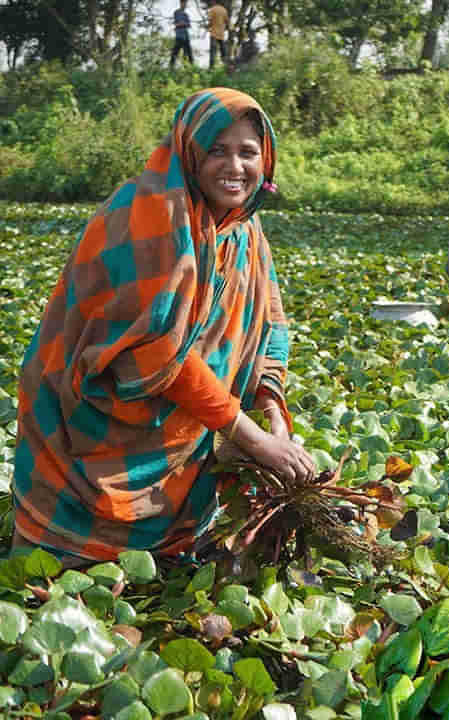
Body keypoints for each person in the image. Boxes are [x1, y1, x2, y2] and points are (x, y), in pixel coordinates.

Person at [11, 88, 316, 566]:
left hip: (185, 430)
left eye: (248, 153)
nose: (234, 166)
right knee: (58, 568)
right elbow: (152, 349)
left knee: (172, 570)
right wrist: (251, 438)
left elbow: (271, 324)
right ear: (189, 149)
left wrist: (272, 409)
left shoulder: (244, 231)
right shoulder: (147, 213)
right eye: (217, 149)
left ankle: (165, 552)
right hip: (89, 418)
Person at [169, 0, 194, 69]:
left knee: (189, 53)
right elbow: (177, 24)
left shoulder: (186, 14)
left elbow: (189, 25)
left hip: (186, 36)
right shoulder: (177, 12)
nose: (185, 5)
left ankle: (191, 68)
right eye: (184, 3)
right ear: (181, 3)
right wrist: (183, 24)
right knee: (175, 52)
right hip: (179, 36)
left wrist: (183, 24)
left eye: (186, 4)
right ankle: (171, 67)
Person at [207, 0, 229, 68]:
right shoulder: (224, 10)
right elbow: (227, 22)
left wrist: (207, 26)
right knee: (223, 53)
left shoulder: (212, 10)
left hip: (213, 34)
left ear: (213, 1)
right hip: (221, 35)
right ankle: (226, 67)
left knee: (213, 53)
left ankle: (211, 68)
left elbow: (210, 21)